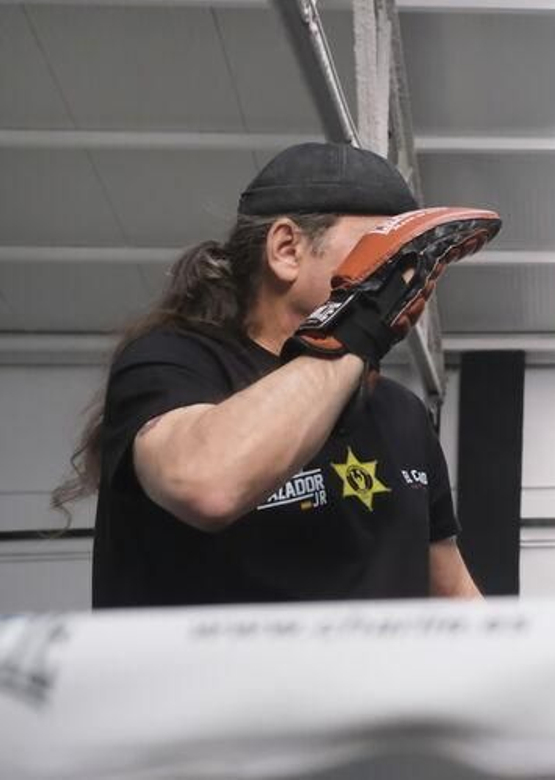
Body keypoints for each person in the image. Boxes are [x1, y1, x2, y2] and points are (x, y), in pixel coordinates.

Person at [52, 142, 499, 608]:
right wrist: (358, 326)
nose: (403, 277)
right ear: (287, 249)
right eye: (382, 251)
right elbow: (206, 484)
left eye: (408, 260)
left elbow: (452, 593)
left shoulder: (401, 412)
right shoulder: (172, 363)